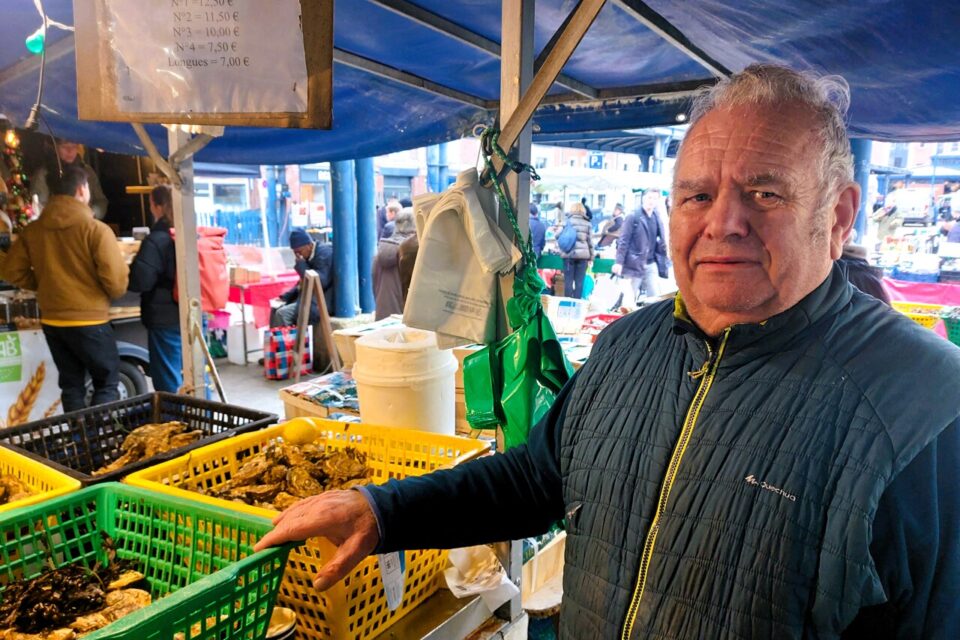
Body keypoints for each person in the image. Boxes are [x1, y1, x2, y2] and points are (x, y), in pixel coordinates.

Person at [255, 64, 960, 638]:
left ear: (837, 216)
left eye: (765, 192)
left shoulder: (928, 407)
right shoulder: (631, 347)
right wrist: (383, 513)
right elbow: (536, 482)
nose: (724, 224)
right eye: (697, 195)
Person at [3, 165, 128, 411]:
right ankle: (97, 440)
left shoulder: (33, 230)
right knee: (106, 383)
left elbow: (10, 270)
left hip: (53, 322)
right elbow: (116, 283)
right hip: (91, 321)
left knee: (71, 386)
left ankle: (80, 442)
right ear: (82, 191)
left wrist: (45, 285)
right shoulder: (96, 230)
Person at [127, 186, 181, 392]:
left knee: (168, 377)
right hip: (193, 313)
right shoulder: (189, 233)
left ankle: (175, 422)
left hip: (164, 318)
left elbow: (140, 281)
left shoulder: (156, 240)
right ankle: (204, 416)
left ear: (155, 206)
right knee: (197, 374)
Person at [31, 139, 109, 220]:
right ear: (55, 147)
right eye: (64, 146)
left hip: (85, 222)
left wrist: (91, 213)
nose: (70, 151)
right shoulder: (44, 174)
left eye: (74, 146)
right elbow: (39, 205)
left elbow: (101, 201)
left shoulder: (87, 171)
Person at [614, 189, 668, 302]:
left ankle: (653, 319)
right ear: (643, 198)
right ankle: (627, 317)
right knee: (629, 298)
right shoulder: (633, 216)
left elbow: (662, 239)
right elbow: (623, 240)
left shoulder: (657, 216)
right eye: (649, 197)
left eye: (655, 198)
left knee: (654, 297)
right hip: (634, 263)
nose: (651, 201)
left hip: (651, 262)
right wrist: (619, 262)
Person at [272, 229, 334, 326]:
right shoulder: (308, 255)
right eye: (295, 252)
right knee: (275, 309)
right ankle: (286, 339)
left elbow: (320, 282)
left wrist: (302, 266)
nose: (297, 255)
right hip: (309, 298)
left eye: (299, 251)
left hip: (322, 301)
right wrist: (285, 297)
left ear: (309, 245)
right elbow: (301, 283)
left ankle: (291, 340)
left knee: (282, 314)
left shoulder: (324, 254)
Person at [372, 208, 415, 319]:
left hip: (382, 316)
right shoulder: (410, 253)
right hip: (403, 319)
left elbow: (374, 286)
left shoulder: (379, 253)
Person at [558, 201, 593, 299]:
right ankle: (577, 305)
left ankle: (567, 304)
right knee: (579, 283)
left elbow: (558, 236)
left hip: (569, 255)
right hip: (583, 257)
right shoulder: (587, 223)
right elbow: (590, 242)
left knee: (568, 282)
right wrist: (592, 258)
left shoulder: (566, 222)